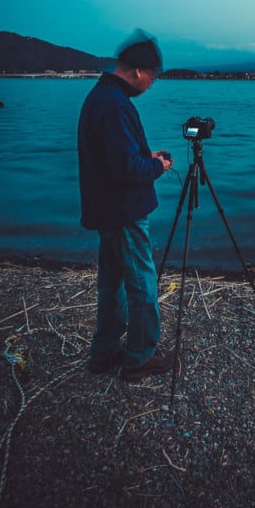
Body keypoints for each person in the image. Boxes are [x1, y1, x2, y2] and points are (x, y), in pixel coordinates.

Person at [77, 32, 174, 381]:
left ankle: (103, 354)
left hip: (105, 209)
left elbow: (112, 157)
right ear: (136, 72)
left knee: (113, 284)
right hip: (124, 212)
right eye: (153, 76)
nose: (152, 84)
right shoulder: (116, 105)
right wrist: (156, 167)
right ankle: (140, 358)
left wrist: (143, 156)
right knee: (142, 284)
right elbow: (125, 169)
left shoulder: (101, 97)